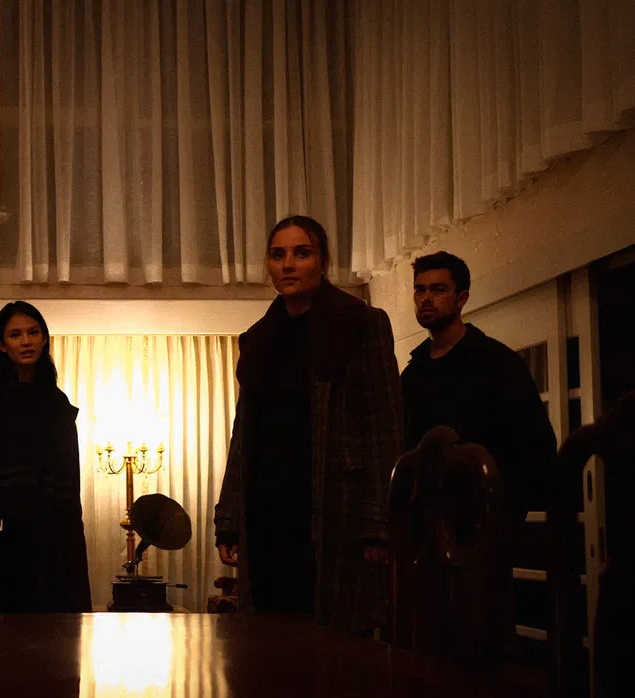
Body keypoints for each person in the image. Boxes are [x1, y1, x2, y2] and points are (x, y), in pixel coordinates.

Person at [214, 215, 403, 634]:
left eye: (302, 253)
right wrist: (228, 517)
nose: (288, 264)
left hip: (335, 505)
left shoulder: (361, 323)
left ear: (323, 261)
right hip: (266, 506)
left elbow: (384, 426)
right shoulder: (259, 337)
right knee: (268, 635)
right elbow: (243, 434)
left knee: (334, 638)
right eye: (278, 255)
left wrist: (378, 522)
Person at [0, 301, 92, 614]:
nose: (26, 341)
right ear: (1, 344)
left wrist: (72, 548)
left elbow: (69, 482)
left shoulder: (56, 400)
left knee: (52, 634)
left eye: (33, 333)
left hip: (51, 538)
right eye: (15, 334)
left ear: (44, 339)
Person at [400, 251, 557, 527]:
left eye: (439, 290)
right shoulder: (413, 374)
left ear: (462, 298)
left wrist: (504, 513)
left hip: (485, 521)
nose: (426, 298)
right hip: (424, 525)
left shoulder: (497, 362)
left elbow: (537, 444)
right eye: (420, 289)